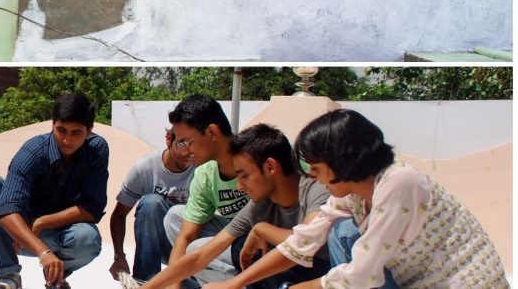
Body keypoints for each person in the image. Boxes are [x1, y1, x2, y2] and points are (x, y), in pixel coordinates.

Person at [205, 110, 508, 289]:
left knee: (345, 235)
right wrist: (234, 284)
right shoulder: (352, 197)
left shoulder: (399, 183)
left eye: (317, 168)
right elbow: (302, 242)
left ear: (341, 160)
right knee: (341, 231)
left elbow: (359, 275)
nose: (313, 177)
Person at [141, 124, 331, 289]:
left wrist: (262, 229)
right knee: (199, 247)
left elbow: (305, 242)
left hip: (317, 276)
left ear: (271, 167)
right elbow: (201, 256)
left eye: (244, 175)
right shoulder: (259, 204)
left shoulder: (316, 190)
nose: (239, 186)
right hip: (281, 276)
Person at [0, 93, 108, 289]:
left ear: (89, 131)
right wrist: (42, 251)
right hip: (21, 234)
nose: (66, 140)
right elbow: (6, 210)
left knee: (88, 238)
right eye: (61, 130)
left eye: (76, 133)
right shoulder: (33, 151)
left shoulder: (97, 150)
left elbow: (93, 208)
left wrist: (44, 222)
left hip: (61, 232)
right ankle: (9, 277)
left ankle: (56, 278)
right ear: (52, 125)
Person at [161, 94, 248, 288]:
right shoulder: (204, 175)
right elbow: (185, 236)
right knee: (176, 217)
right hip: (238, 242)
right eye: (180, 144)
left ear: (212, 132)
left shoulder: (258, 155)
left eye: (187, 141)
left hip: (277, 242)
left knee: (197, 250)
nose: (184, 151)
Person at [108, 127, 194, 283]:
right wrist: (119, 256)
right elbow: (119, 215)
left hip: (191, 246)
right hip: (160, 242)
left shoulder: (203, 167)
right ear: (169, 138)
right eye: (183, 144)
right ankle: (145, 279)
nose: (189, 152)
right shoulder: (145, 168)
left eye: (194, 144)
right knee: (151, 203)